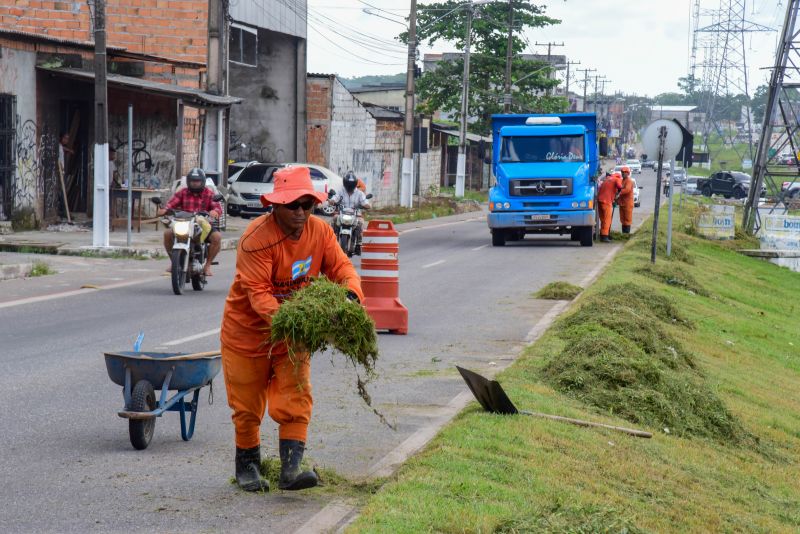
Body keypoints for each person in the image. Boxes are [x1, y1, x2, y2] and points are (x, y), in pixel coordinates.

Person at [220, 166, 364, 492]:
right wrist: (294, 322)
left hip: (293, 332)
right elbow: (259, 297)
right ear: (276, 206)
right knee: (247, 405)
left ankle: (291, 469)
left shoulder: (321, 233)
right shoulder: (255, 240)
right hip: (248, 332)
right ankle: (248, 467)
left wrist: (351, 295)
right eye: (293, 205)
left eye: (307, 205)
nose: (301, 212)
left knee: (296, 395)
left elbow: (342, 267)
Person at [158, 168, 221, 276]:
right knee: (167, 234)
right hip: (184, 222)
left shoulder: (209, 193)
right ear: (188, 182)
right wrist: (164, 209)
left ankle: (207, 266)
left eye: (197, 181)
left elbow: (217, 207)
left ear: (202, 182)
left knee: (217, 237)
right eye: (193, 181)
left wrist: (214, 211)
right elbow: (171, 203)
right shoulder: (183, 192)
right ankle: (174, 262)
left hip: (203, 225)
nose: (195, 184)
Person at [328, 170, 371, 253]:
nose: (349, 186)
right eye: (348, 184)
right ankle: (331, 241)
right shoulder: (341, 191)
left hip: (356, 214)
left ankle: (359, 243)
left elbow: (365, 202)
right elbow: (335, 197)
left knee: (361, 223)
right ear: (345, 183)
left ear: (355, 184)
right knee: (333, 220)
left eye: (351, 185)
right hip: (341, 213)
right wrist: (332, 201)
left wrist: (367, 205)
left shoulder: (359, 193)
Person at [597, 170, 622, 242]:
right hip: (606, 202)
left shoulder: (607, 179)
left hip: (600, 201)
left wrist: (614, 198)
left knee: (603, 219)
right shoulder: (617, 179)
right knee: (607, 219)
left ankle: (603, 234)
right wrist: (619, 192)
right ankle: (605, 236)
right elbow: (620, 186)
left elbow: (609, 190)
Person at [617, 166, 635, 234]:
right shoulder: (622, 180)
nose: (623, 173)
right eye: (622, 172)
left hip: (628, 204)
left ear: (628, 173)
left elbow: (627, 190)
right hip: (622, 203)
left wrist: (619, 193)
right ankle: (623, 233)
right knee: (622, 219)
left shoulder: (629, 181)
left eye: (624, 172)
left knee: (627, 219)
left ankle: (626, 234)